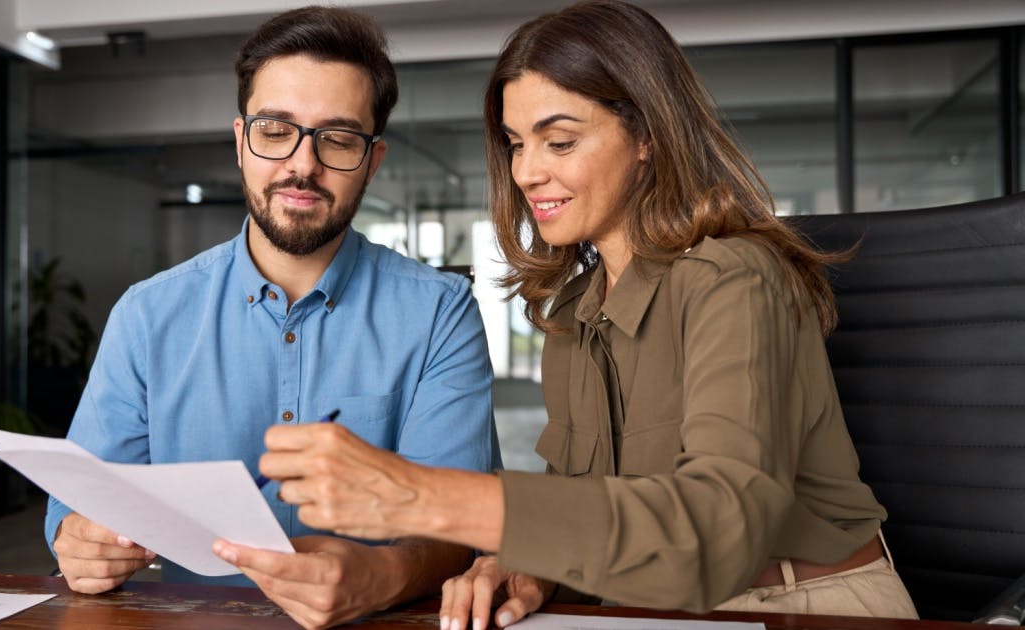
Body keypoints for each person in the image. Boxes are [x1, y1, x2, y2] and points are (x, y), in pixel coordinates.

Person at [252, 1, 919, 628]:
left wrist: (421, 496)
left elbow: (717, 531)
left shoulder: (736, 278)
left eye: (559, 141)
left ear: (646, 136)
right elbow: (599, 513)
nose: (527, 172)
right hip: (661, 611)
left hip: (805, 603)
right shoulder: (574, 316)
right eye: (515, 143)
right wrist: (535, 566)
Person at [43, 6, 500, 628]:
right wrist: (78, 540)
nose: (303, 165)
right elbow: (76, 505)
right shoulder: (148, 315)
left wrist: (382, 575)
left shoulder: (439, 313)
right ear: (240, 141)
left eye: (337, 139)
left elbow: (460, 527)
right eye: (276, 129)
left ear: (373, 160)